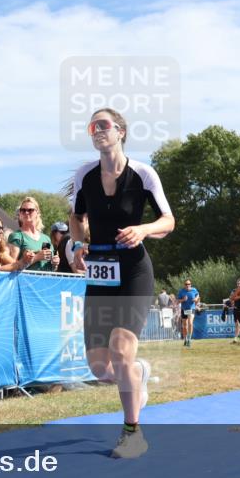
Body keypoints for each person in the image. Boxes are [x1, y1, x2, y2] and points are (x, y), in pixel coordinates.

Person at [69, 107, 175, 459]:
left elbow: (168, 220)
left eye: (104, 125)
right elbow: (76, 217)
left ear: (121, 132)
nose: (97, 131)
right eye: (92, 127)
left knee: (120, 347)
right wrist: (78, 244)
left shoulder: (143, 174)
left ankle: (133, 433)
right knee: (101, 369)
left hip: (132, 270)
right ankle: (137, 374)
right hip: (99, 272)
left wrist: (143, 229)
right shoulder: (85, 175)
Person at [8, 197, 53, 272]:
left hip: (45, 281)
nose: (26, 212)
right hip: (25, 281)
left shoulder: (46, 238)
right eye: (23, 210)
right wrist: (37, 257)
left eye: (30, 210)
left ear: (37, 213)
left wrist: (54, 263)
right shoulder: (16, 236)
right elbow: (12, 267)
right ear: (20, 213)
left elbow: (49, 266)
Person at [177, 279, 200, 347]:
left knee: (190, 323)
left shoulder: (194, 290)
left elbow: (198, 295)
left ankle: (189, 339)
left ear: (191, 284)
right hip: (184, 309)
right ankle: (185, 339)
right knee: (185, 326)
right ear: (184, 285)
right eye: (186, 284)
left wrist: (196, 299)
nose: (188, 285)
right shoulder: (181, 291)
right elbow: (177, 301)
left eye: (189, 284)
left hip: (191, 309)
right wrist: (183, 300)